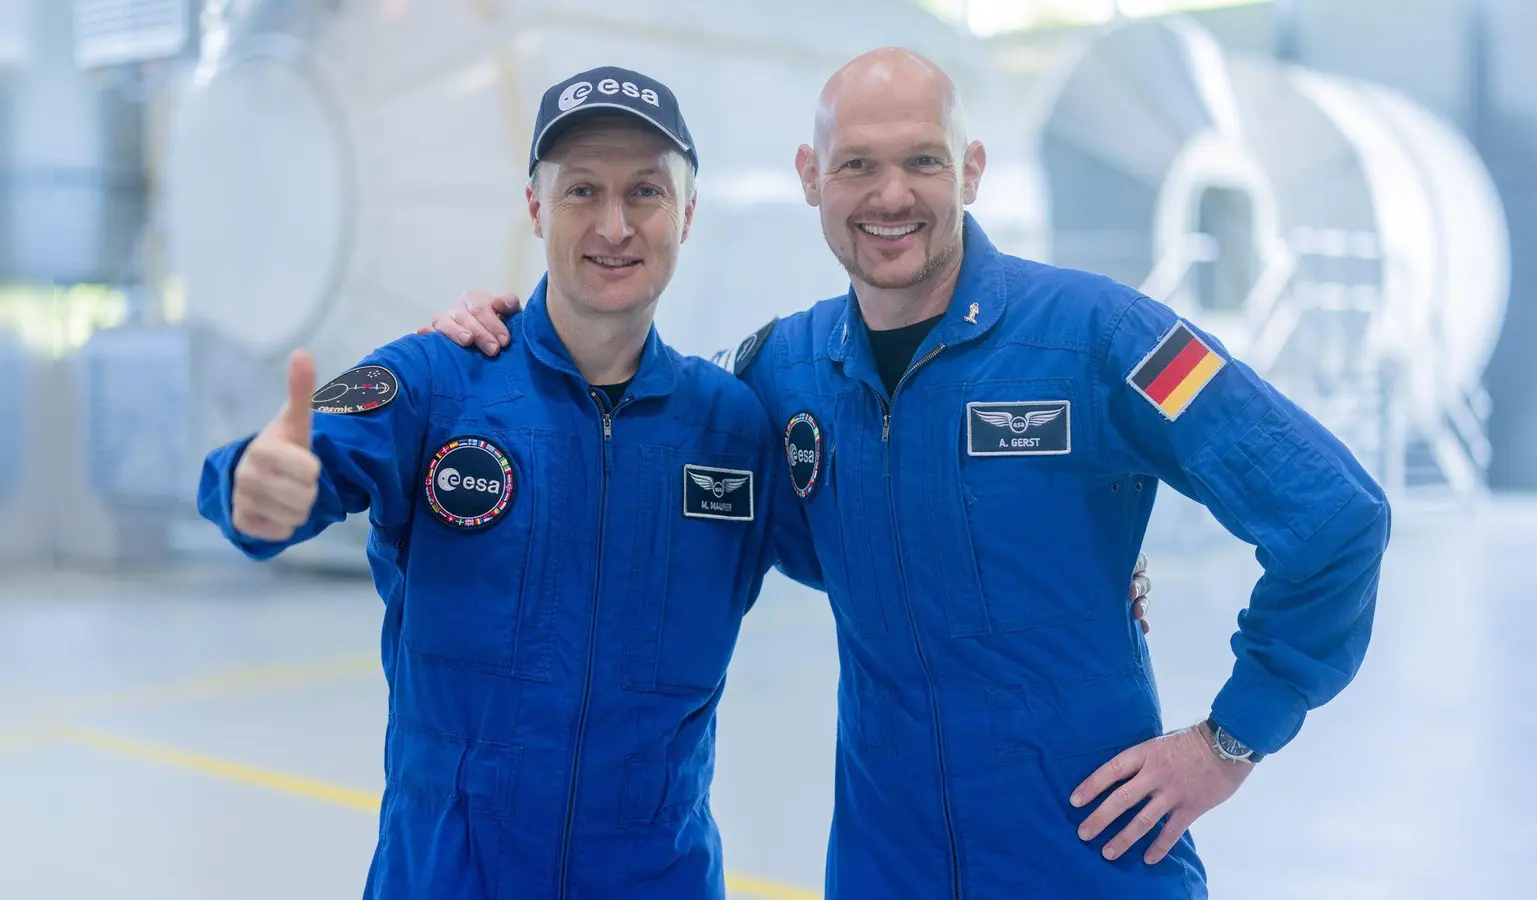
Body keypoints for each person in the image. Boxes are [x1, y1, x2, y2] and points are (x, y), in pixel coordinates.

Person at [426, 48, 1385, 899]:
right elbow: (642, 423)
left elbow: (1334, 515)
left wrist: (1229, 742)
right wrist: (499, 342)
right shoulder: (779, 371)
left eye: (923, 160)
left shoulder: (1105, 336)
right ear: (811, 178)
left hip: (1090, 860)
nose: (892, 196)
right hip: (887, 866)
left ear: (969, 168)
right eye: (858, 166)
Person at [196, 66, 831, 900]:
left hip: (656, 877)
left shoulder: (733, 429)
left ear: (688, 211)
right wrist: (250, 482)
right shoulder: (434, 380)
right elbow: (294, 461)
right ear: (535, 209)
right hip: (449, 876)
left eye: (645, 190)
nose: (614, 224)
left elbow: (888, 590)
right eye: (580, 191)